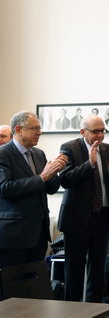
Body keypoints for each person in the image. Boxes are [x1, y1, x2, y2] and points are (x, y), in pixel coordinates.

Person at [58, 115, 109, 302]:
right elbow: (65, 180)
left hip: (103, 218)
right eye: (96, 131)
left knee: (98, 271)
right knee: (74, 272)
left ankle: (95, 310)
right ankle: (71, 312)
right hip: (76, 218)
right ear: (82, 132)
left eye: (103, 130)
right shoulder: (69, 148)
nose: (100, 135)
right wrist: (90, 164)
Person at [0, 111, 67, 268]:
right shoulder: (3, 154)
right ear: (18, 129)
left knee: (33, 286)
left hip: (38, 234)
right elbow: (5, 188)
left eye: (40, 128)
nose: (39, 132)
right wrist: (43, 177)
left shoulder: (38, 154)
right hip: (13, 236)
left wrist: (55, 170)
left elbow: (50, 189)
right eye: (34, 128)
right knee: (11, 288)